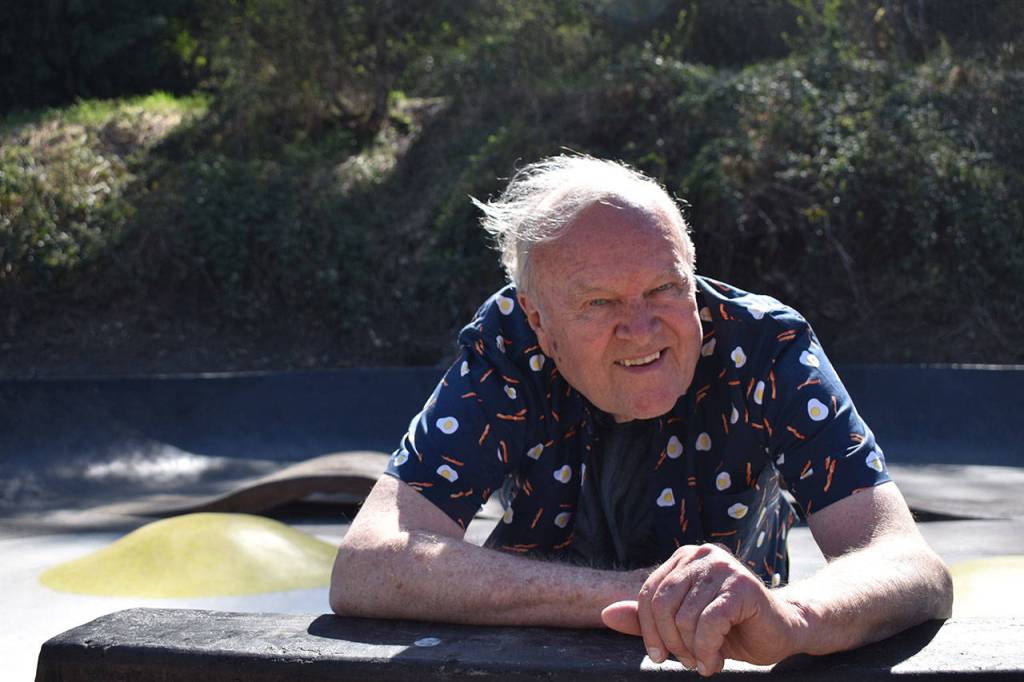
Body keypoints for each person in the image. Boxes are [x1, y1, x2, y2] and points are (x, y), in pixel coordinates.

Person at [329, 155, 952, 676]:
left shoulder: (767, 346)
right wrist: (640, 594)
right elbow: (369, 563)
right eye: (599, 303)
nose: (641, 328)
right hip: (526, 663)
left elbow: (910, 565)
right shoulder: (508, 348)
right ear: (539, 319)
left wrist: (792, 618)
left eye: (664, 288)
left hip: (724, 662)